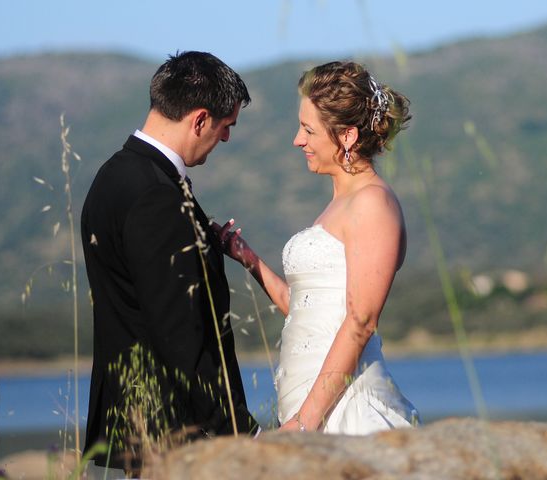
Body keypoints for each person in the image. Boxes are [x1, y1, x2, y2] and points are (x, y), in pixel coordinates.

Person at [80, 51, 259, 473]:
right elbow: (182, 331)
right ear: (199, 120)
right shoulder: (157, 195)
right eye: (225, 126)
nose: (227, 139)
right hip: (178, 433)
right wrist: (237, 429)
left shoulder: (112, 176)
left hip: (141, 419)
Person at [217, 61, 419, 434]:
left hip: (346, 406)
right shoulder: (338, 204)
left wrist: (305, 422)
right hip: (307, 400)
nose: (298, 140)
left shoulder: (372, 203)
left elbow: (360, 322)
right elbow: (307, 311)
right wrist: (248, 259)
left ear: (346, 136)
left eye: (308, 130)